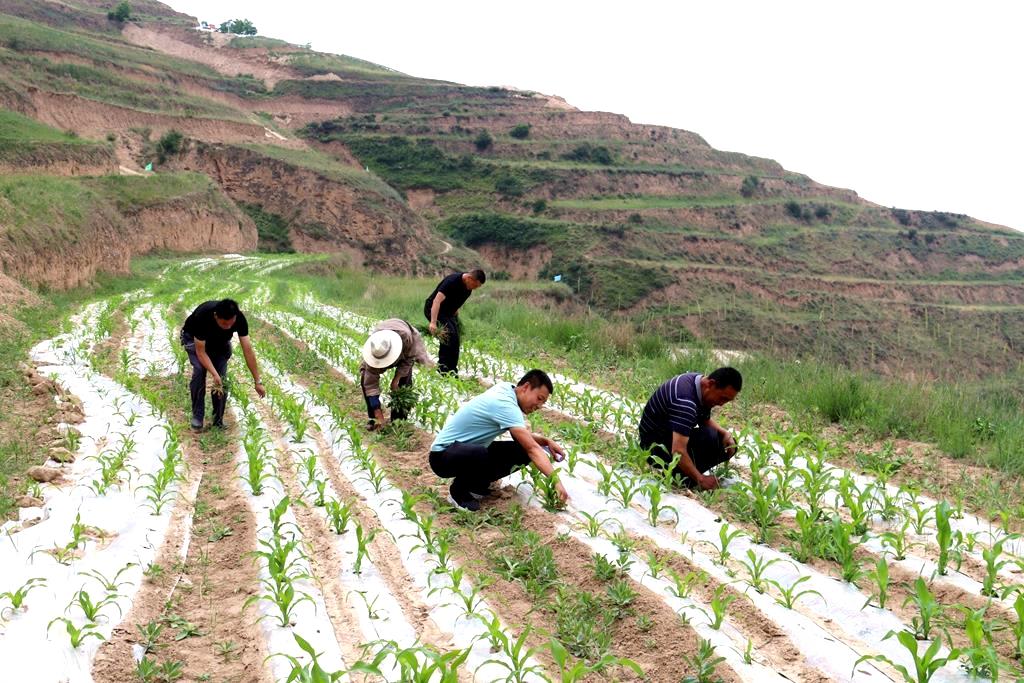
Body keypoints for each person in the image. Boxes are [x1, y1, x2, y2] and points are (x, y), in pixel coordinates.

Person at [428, 369, 569, 511]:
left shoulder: (507, 389)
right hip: (442, 456)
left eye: (543, 402)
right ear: (526, 387)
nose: (539, 406)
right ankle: (458, 493)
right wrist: (556, 482)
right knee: (480, 452)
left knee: (520, 451)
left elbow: (523, 437)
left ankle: (474, 485)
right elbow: (532, 448)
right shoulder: (504, 404)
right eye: (539, 398)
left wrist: (546, 441)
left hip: (461, 450)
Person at [638, 367, 742, 490]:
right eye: (722, 398)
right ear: (710, 384)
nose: (721, 404)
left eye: (727, 401)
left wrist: (725, 433)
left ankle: (688, 473)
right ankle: (680, 478)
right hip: (654, 450)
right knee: (710, 438)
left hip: (668, 436)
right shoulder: (685, 401)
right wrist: (701, 479)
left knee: (728, 444)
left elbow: (703, 419)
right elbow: (678, 450)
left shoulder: (697, 382)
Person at [179, 298, 265, 430]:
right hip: (193, 339)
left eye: (231, 323)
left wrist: (257, 381)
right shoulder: (203, 316)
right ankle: (197, 417)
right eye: (224, 323)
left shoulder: (239, 319)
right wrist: (214, 374)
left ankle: (218, 420)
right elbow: (201, 353)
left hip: (219, 343)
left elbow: (247, 350)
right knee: (200, 371)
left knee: (222, 379)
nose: (228, 327)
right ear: (216, 316)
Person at [360, 319, 434, 431]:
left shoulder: (406, 339)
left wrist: (396, 380)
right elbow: (370, 386)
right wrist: (378, 412)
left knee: (404, 382)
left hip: (405, 343)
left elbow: (408, 360)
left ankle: (398, 420)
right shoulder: (374, 352)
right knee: (365, 380)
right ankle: (374, 419)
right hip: (384, 336)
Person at [423, 269, 485, 376]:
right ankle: (443, 369)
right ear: (469, 278)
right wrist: (433, 322)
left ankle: (452, 370)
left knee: (456, 339)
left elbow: (456, 303)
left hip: (447, 313)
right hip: (434, 309)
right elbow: (436, 301)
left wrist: (455, 316)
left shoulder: (468, 289)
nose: (474, 288)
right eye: (475, 285)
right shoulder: (451, 281)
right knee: (448, 336)